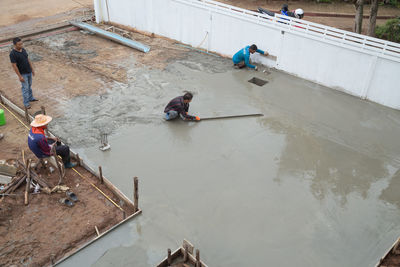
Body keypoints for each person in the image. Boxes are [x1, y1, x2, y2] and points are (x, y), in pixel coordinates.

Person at [9, 37, 38, 109]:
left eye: (21, 44)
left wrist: (32, 69)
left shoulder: (23, 50)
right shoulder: (12, 54)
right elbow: (14, 66)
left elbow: (28, 59)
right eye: (19, 44)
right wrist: (20, 76)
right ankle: (26, 103)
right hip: (23, 74)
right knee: (25, 88)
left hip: (29, 71)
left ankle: (31, 98)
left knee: (29, 86)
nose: (21, 45)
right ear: (15, 45)